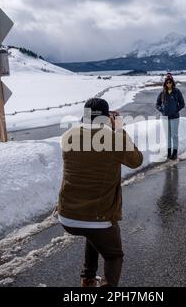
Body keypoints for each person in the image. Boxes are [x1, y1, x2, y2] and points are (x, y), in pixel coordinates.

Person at [57, 98, 143, 287]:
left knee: (94, 235)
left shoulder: (68, 136)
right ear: (106, 118)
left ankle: (88, 280)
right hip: (99, 216)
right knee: (114, 256)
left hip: (67, 216)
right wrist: (118, 128)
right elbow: (136, 160)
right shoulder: (114, 139)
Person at [156, 73, 185, 160]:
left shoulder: (177, 92)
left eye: (170, 82)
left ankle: (175, 153)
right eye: (167, 82)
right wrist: (162, 110)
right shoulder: (162, 93)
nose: (169, 83)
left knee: (174, 135)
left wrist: (175, 110)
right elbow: (157, 104)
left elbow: (182, 104)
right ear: (165, 83)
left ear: (172, 82)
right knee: (167, 136)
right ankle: (169, 153)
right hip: (165, 117)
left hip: (174, 117)